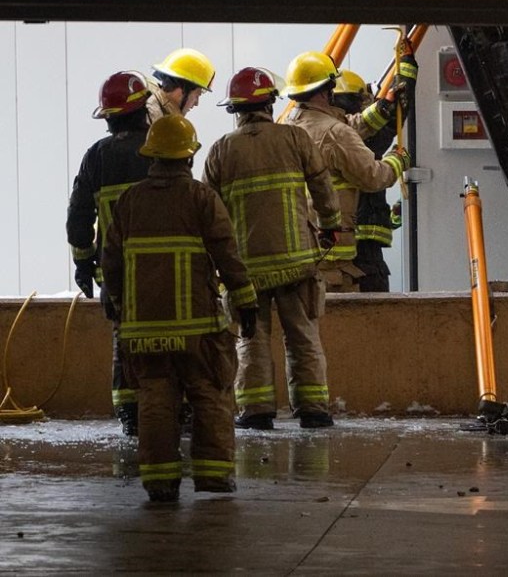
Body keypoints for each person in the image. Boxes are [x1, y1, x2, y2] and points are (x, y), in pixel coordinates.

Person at [102, 114, 258, 503]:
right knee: (210, 394)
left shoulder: (129, 202)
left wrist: (120, 308)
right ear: (189, 158)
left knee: (154, 400)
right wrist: (246, 300)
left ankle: (159, 482)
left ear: (151, 156)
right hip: (197, 328)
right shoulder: (202, 198)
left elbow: (112, 265)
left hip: (143, 332)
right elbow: (227, 253)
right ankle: (214, 477)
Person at [203, 67, 341, 430]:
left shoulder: (220, 151)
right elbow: (324, 190)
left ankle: (256, 411)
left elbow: (209, 214)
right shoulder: (294, 139)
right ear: (270, 102)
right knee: (303, 337)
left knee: (250, 339)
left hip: (246, 270)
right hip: (297, 264)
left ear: (235, 109)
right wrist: (329, 227)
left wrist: (216, 264)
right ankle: (313, 409)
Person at [282, 50, 415, 292]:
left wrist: (382, 108)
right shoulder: (335, 133)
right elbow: (374, 177)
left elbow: (346, 127)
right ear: (326, 89)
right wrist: (399, 160)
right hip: (331, 261)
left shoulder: (288, 126)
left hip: (299, 250)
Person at [66, 71, 154, 436]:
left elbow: (79, 215)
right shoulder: (163, 147)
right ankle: (176, 409)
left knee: (125, 340)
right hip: (169, 269)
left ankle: (130, 414)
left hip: (118, 273)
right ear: (142, 111)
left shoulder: (97, 156)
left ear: (110, 116)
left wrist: (84, 262)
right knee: (177, 339)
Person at [333, 71, 403, 292]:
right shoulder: (346, 137)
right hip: (360, 254)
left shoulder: (321, 131)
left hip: (337, 247)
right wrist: (399, 160)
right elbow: (374, 177)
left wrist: (389, 218)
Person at [147, 48, 215, 120]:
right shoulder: (154, 116)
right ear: (182, 89)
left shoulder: (161, 113)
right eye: (197, 95)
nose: (196, 103)